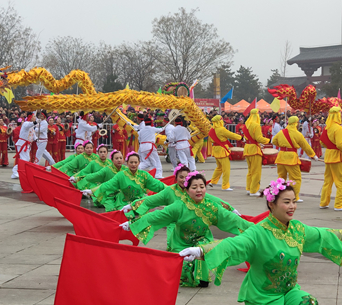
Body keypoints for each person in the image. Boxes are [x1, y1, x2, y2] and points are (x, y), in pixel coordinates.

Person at [178, 178, 342, 305]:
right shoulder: (258, 233)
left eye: (294, 201)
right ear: (271, 204)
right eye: (286, 202)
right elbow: (234, 245)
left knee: (309, 303)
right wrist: (201, 251)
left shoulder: (297, 229)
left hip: (288, 292)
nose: (292, 206)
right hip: (261, 298)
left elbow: (320, 235)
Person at [121, 172, 252, 287]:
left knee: (203, 270)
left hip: (203, 240)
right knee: (182, 270)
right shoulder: (178, 206)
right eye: (194, 187)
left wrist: (255, 229)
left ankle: (202, 271)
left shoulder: (211, 207)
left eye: (202, 187)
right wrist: (133, 223)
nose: (199, 190)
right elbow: (156, 216)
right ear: (187, 190)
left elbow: (233, 219)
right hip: (180, 242)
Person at [90, 152, 166, 212]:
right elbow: (108, 184)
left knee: (143, 217)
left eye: (135, 162)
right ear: (127, 163)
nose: (133, 164)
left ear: (139, 163)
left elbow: (157, 184)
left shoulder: (144, 175)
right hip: (124, 202)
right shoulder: (121, 175)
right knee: (127, 216)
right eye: (131, 162)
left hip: (139, 201)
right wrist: (92, 190)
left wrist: (172, 189)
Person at [271, 116, 318, 203]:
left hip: (281, 157)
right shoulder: (297, 134)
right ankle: (294, 196)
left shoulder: (281, 132)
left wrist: (282, 144)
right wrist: (313, 155)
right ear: (295, 123)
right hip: (291, 157)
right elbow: (305, 146)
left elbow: (274, 141)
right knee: (295, 178)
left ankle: (277, 195)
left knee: (281, 177)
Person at [319, 107, 342, 211]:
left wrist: (331, 148)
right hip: (338, 156)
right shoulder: (338, 128)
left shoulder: (327, 128)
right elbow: (340, 144)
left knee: (328, 181)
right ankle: (339, 204)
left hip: (329, 155)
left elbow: (322, 142)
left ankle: (323, 203)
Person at [209, 115, 242, 191]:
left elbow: (210, 140)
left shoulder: (212, 130)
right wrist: (240, 137)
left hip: (215, 149)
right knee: (226, 169)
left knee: (219, 167)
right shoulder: (222, 129)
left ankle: (213, 182)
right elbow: (231, 135)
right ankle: (225, 186)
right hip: (222, 150)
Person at [243, 109, 270, 196]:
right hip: (254, 150)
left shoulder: (246, 125)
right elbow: (258, 138)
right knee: (256, 171)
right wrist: (268, 140)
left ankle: (249, 188)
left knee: (250, 170)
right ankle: (254, 190)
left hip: (247, 148)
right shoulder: (256, 125)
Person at [11, 112, 36, 179]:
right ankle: (17, 171)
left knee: (26, 159)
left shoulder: (31, 125)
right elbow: (31, 124)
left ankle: (15, 171)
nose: (35, 118)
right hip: (22, 143)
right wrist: (36, 121)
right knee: (24, 159)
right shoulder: (26, 123)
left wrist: (35, 139)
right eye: (34, 117)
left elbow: (32, 133)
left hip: (27, 144)